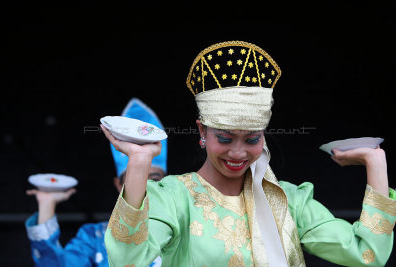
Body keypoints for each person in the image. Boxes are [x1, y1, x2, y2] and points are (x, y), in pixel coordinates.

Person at [102, 41, 396, 266]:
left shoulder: (289, 202)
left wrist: (376, 162)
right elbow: (128, 260)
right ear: (202, 132)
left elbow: (367, 253)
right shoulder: (174, 198)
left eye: (252, 138)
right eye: (225, 138)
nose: (238, 152)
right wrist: (139, 162)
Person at [25, 98, 167, 267]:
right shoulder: (96, 236)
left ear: (167, 182)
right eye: (133, 176)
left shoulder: (188, 230)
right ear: (117, 184)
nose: (145, 184)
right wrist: (46, 204)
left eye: (155, 178)